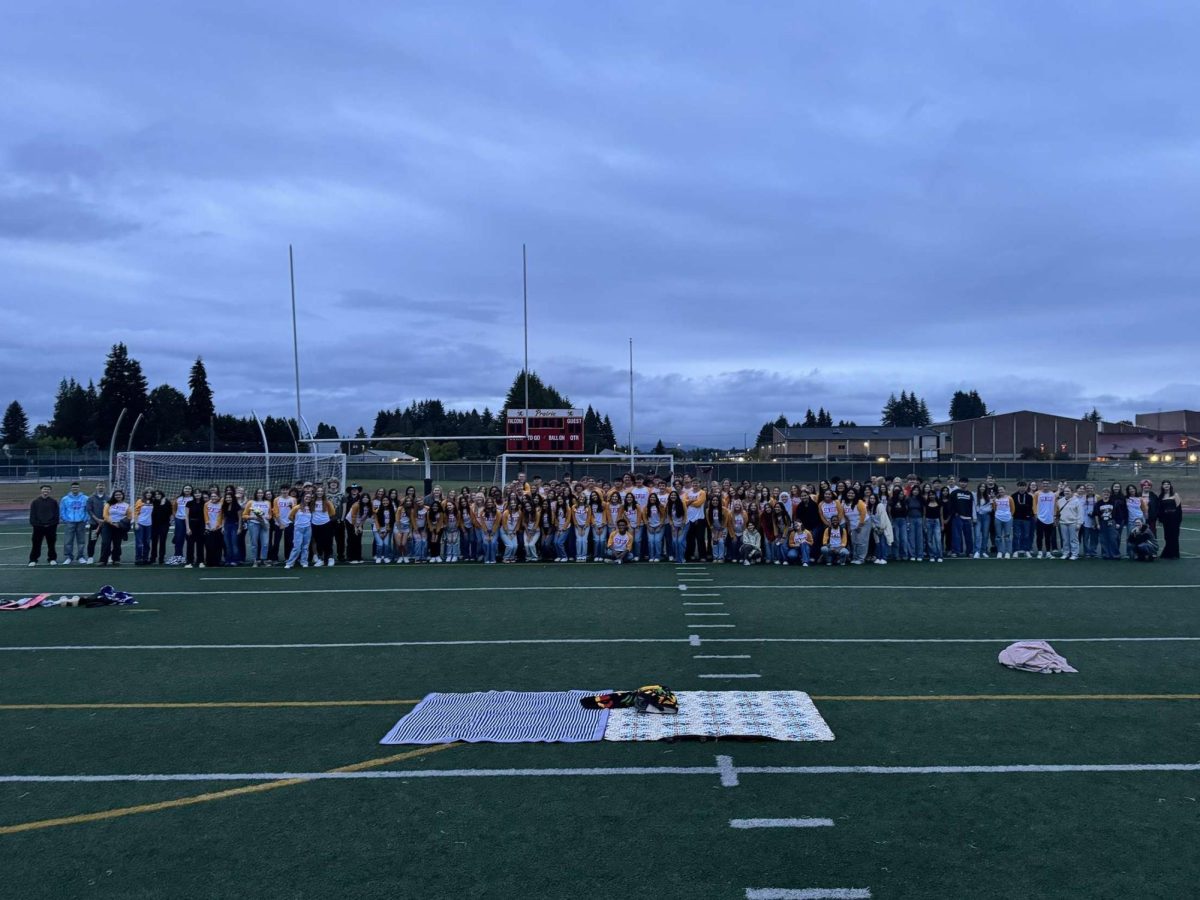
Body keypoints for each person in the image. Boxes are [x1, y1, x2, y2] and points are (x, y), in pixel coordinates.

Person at [28, 484, 60, 567]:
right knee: (36, 544)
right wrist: (36, 524)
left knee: (51, 544)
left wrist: (52, 524)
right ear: (41, 490)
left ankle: (52, 559)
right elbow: (32, 515)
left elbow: (56, 515)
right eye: (44, 489)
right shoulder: (35, 502)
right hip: (38, 527)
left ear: (50, 491)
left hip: (51, 527)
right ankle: (33, 559)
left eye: (48, 489)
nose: (46, 491)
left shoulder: (53, 502)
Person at [99, 490, 132, 566]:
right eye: (116, 495)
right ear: (113, 496)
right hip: (108, 525)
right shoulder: (108, 504)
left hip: (119, 526)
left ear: (122, 496)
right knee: (105, 543)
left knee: (117, 544)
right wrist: (112, 523)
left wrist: (120, 524)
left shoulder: (126, 505)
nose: (118, 496)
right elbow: (105, 515)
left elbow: (129, 516)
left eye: (119, 495)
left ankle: (116, 559)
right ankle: (103, 560)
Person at [59, 482, 88, 565]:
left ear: (79, 488)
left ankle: (81, 556)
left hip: (81, 522)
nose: (75, 488)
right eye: (73, 487)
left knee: (81, 541)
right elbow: (62, 510)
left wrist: (85, 519)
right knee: (68, 541)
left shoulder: (85, 498)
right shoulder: (65, 499)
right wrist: (65, 519)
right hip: (69, 522)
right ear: (71, 488)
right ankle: (68, 557)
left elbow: (87, 510)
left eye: (76, 487)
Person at [285, 492, 315, 568]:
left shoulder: (311, 508)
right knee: (297, 547)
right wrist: (296, 523)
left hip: (308, 529)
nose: (308, 498)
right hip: (298, 529)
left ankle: (304, 561)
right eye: (306, 496)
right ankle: (289, 563)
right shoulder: (297, 507)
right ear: (303, 497)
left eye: (310, 497)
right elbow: (290, 517)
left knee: (305, 547)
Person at [242, 489, 272, 566]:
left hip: (264, 524)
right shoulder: (251, 502)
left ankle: (263, 559)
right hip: (253, 524)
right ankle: (255, 560)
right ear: (256, 494)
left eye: (261, 493)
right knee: (254, 543)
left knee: (265, 543)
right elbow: (244, 515)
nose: (260, 494)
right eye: (258, 493)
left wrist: (268, 517)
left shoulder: (267, 502)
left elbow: (270, 515)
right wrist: (254, 517)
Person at [948, 477, 975, 558]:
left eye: (965, 482)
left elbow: (971, 506)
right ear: (959, 483)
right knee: (956, 536)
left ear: (967, 483)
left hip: (967, 518)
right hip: (958, 517)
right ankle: (955, 551)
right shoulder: (954, 493)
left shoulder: (969, 494)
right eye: (961, 482)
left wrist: (971, 517)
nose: (963, 483)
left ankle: (969, 552)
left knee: (969, 536)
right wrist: (954, 513)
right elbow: (950, 504)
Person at [1158, 481, 1183, 560]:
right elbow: (1160, 510)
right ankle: (1167, 553)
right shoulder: (1161, 496)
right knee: (1167, 536)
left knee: (1174, 536)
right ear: (1162, 486)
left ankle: (1175, 554)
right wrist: (1160, 519)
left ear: (1170, 486)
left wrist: (1179, 519)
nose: (1166, 485)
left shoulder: (1175, 495)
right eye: (1164, 484)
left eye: (1168, 484)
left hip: (1174, 519)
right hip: (1166, 520)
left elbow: (1179, 508)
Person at [1034, 481, 1058, 558]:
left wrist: (1054, 516)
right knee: (1039, 536)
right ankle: (1040, 552)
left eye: (1047, 484)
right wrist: (1036, 515)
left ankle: (1048, 552)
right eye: (1044, 484)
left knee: (1048, 536)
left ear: (1050, 485)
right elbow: (1034, 504)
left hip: (1050, 518)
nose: (1045, 485)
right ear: (1041, 485)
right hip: (1040, 518)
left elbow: (1055, 506)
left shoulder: (1053, 494)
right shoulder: (1037, 493)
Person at [85, 481, 108, 563]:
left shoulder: (108, 498)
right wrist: (97, 520)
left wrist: (105, 520)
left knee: (106, 541)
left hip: (105, 524)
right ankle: (90, 557)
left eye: (102, 486)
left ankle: (105, 557)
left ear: (104, 487)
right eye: (99, 485)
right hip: (94, 524)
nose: (101, 487)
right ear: (96, 487)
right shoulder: (91, 498)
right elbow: (89, 510)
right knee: (92, 540)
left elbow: (110, 510)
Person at [184, 489, 208, 568]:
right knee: (190, 544)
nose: (197, 494)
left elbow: (206, 515)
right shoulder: (189, 503)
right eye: (195, 493)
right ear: (193, 495)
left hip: (201, 525)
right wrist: (188, 528)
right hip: (191, 524)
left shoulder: (205, 503)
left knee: (200, 544)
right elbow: (186, 516)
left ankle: (200, 561)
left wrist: (205, 527)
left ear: (201, 494)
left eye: (199, 493)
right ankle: (189, 562)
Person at [1011, 481, 1034, 559]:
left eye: (1024, 486)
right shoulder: (1013, 496)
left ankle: (1026, 550)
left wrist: (1029, 515)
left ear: (1026, 487)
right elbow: (1011, 507)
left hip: (1026, 519)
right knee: (1016, 535)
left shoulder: (1029, 496)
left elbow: (1031, 507)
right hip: (1016, 518)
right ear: (1018, 487)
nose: (1022, 488)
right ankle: (1015, 551)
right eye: (1021, 486)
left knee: (1026, 535)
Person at [992, 486, 1014, 558]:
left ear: (1005, 490)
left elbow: (1012, 509)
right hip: (998, 518)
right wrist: (998, 515)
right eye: (999, 490)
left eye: (1002, 489)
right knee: (998, 536)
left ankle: (1008, 552)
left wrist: (1009, 516)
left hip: (1008, 519)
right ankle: (1000, 551)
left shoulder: (1009, 498)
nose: (1000, 491)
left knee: (1007, 536)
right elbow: (994, 508)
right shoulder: (996, 499)